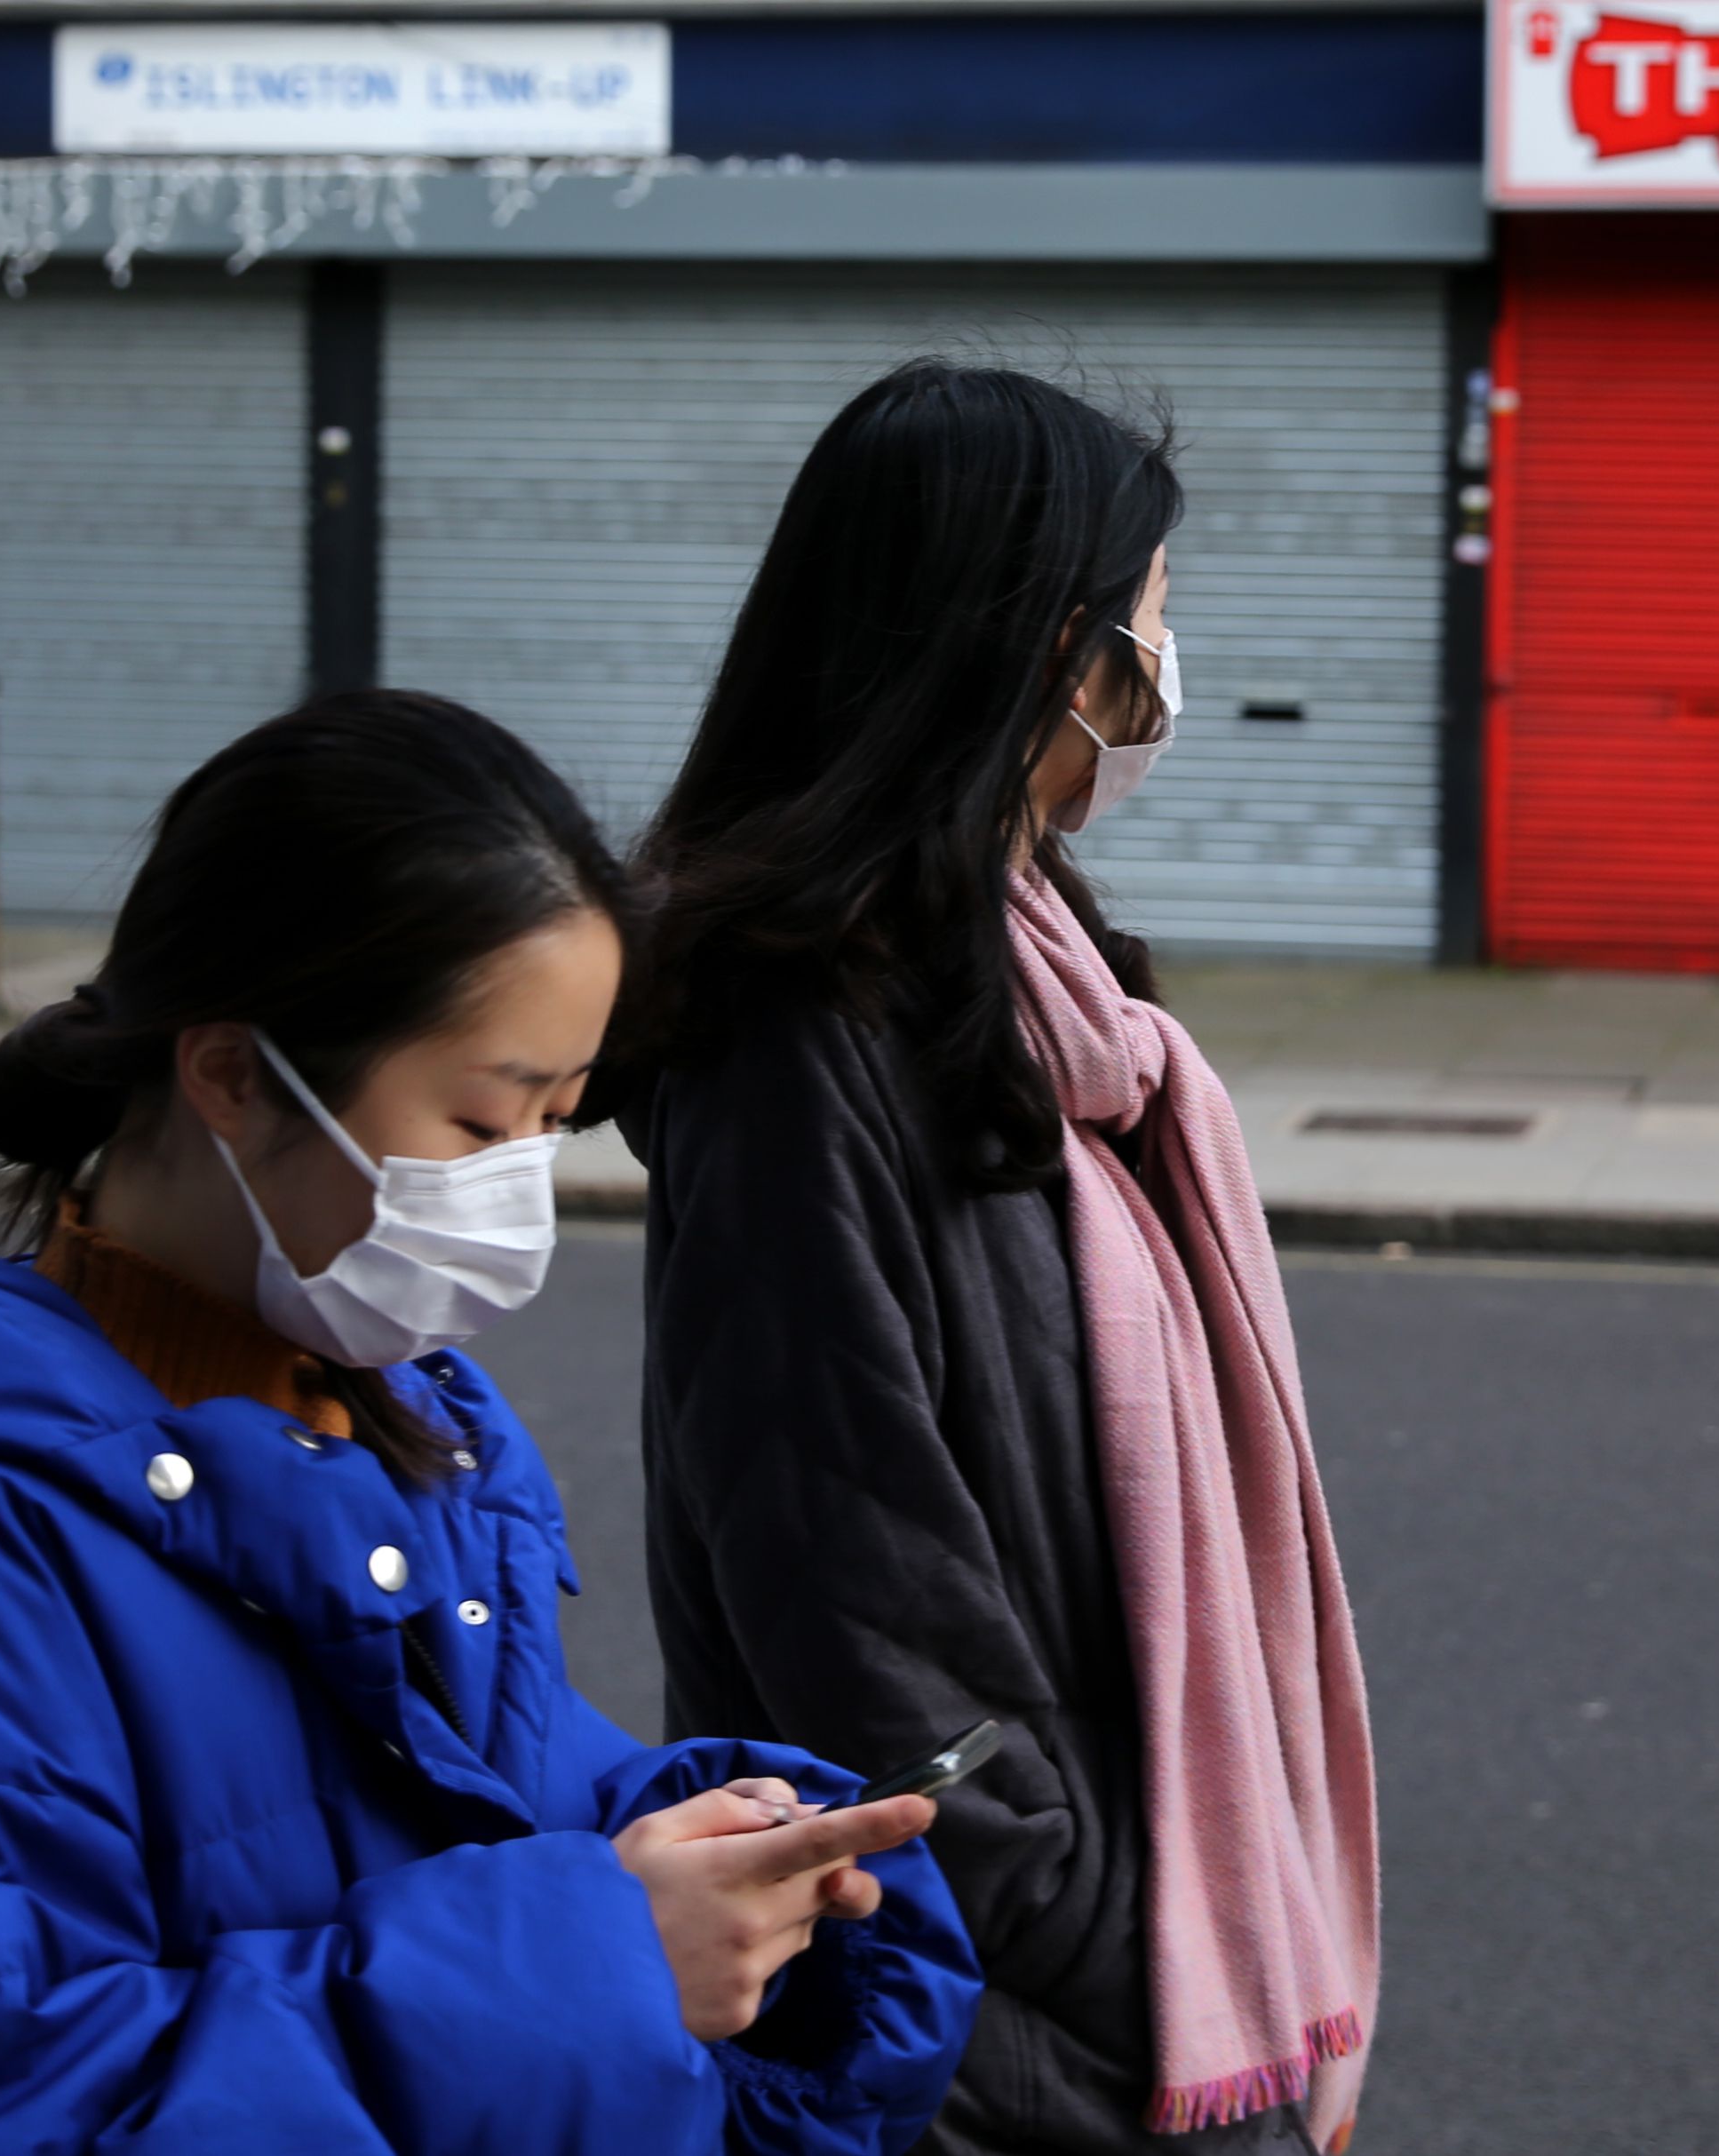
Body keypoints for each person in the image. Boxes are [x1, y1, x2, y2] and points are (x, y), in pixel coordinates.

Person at [0, 693, 977, 2156]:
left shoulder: (397, 1423)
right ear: (232, 1073)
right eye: (483, 1127)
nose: (522, 1189)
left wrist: (723, 1845)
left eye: (562, 1120)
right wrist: (607, 1962)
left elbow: (460, 1803)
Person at [614, 363, 1381, 2156]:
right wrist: (1126, 1952)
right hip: (987, 2026)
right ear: (1051, 650)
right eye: (1155, 626)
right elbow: (853, 1601)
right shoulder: (798, 1035)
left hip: (1112, 1993)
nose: (1164, 678)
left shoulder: (1040, 992)